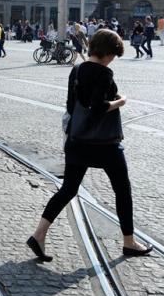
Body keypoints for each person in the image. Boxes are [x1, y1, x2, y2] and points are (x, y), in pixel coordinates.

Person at [28, 29, 151, 261]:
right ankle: (129, 242)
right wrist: (120, 101)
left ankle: (39, 234)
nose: (113, 59)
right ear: (107, 52)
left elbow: (72, 105)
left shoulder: (77, 69)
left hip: (77, 140)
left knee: (68, 189)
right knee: (123, 190)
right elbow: (98, 107)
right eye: (114, 54)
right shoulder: (103, 73)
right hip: (104, 144)